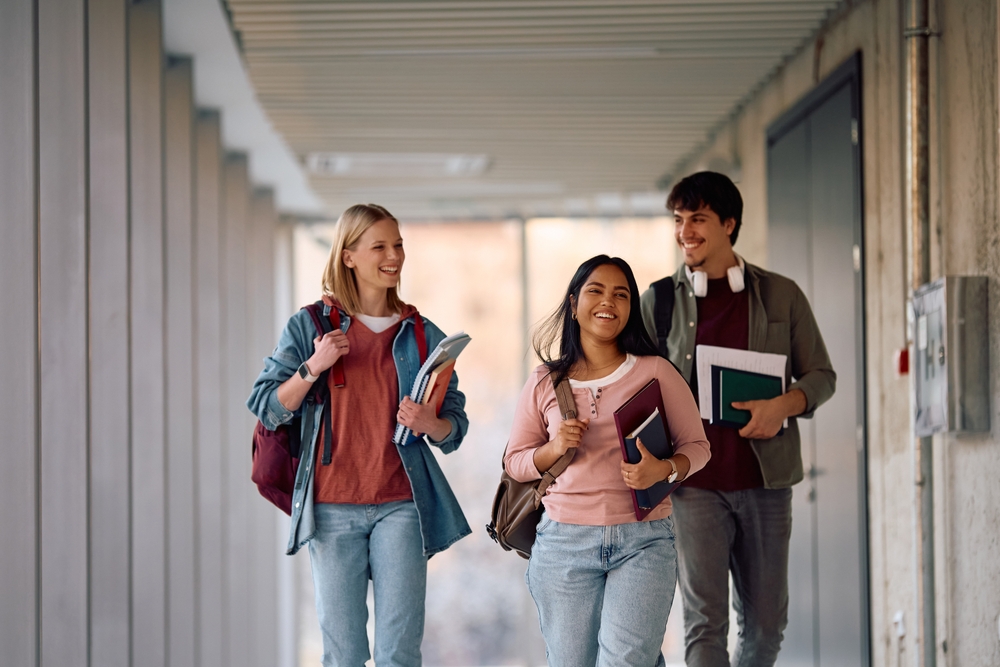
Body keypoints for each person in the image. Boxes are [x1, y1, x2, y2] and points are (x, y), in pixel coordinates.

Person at [247, 204, 471, 667]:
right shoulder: (309, 327)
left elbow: (455, 429)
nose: (394, 256)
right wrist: (313, 366)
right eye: (380, 247)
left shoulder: (425, 335)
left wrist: (432, 424)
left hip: (402, 506)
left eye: (398, 245)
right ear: (348, 256)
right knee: (343, 654)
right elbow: (266, 405)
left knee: (399, 653)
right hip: (331, 509)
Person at [639, 171, 836, 667]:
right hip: (693, 489)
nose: (685, 231)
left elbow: (821, 375)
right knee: (706, 625)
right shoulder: (659, 301)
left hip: (766, 486)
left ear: (729, 224)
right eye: (679, 220)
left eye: (698, 219)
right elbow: (633, 386)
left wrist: (783, 406)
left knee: (767, 625)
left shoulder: (782, 295)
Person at [505, 255, 711, 667]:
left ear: (631, 308)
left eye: (621, 294)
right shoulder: (545, 381)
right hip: (564, 544)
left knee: (626, 661)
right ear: (573, 302)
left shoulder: (657, 372)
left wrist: (664, 469)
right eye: (596, 291)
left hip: (644, 540)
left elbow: (698, 447)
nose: (608, 302)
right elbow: (516, 462)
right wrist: (553, 448)